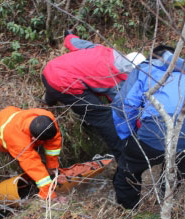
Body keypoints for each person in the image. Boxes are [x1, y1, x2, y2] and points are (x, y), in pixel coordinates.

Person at [111, 46, 185, 209]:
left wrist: (127, 138)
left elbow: (124, 105)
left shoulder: (145, 69)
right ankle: (167, 204)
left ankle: (129, 213)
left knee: (127, 170)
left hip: (159, 130)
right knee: (180, 159)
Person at [42, 30, 146, 159]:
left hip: (49, 70)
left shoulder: (104, 50)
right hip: (63, 85)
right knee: (104, 116)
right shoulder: (117, 80)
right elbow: (120, 107)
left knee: (62, 82)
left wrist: (69, 35)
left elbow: (73, 42)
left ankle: (48, 100)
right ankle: (121, 154)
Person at [0, 106, 63, 200]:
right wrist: (49, 193)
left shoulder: (47, 118)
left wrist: (52, 166)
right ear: (34, 139)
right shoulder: (19, 143)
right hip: (2, 130)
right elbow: (33, 166)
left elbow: (54, 141)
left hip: (11, 114)